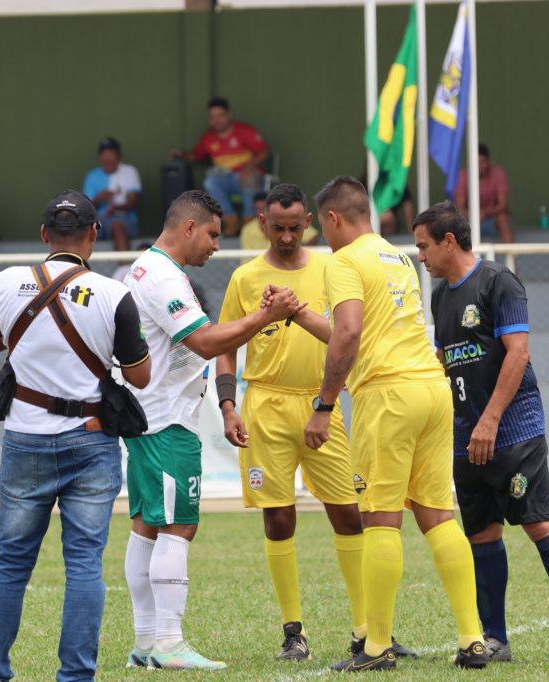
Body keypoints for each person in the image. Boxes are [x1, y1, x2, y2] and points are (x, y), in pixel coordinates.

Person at [216, 183, 414, 662]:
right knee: (279, 517)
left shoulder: (334, 267)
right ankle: (292, 632)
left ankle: (367, 631)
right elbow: (226, 347)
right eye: (277, 228)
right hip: (265, 405)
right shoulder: (245, 277)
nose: (286, 237)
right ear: (263, 223)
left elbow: (349, 332)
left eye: (294, 227)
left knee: (349, 514)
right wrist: (227, 405)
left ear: (309, 222)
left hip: (322, 405)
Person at [301, 177, 487, 672]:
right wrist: (300, 314)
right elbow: (360, 330)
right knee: (437, 516)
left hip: (387, 395)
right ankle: (472, 638)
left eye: (322, 225)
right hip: (431, 387)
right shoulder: (397, 256)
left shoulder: (343, 261)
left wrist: (323, 405)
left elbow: (349, 332)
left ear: (335, 218)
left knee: (379, 517)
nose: (323, 235)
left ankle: (377, 647)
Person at [0, 189, 152, 682]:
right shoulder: (115, 295)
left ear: (44, 236)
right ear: (94, 234)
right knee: (85, 567)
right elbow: (139, 376)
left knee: (10, 563)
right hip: (91, 440)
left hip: (25, 438)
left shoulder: (9, 281)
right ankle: (75, 676)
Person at [121, 190, 301, 671]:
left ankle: (145, 642)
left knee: (147, 526)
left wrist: (257, 316)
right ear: (188, 228)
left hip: (147, 415)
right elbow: (202, 341)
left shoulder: (145, 268)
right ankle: (167, 642)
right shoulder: (162, 277)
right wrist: (266, 316)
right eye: (213, 235)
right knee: (179, 525)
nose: (216, 246)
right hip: (165, 419)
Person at [413, 201, 549, 664]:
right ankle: (495, 638)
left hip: (512, 428)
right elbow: (444, 361)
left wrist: (491, 420)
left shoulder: (499, 282)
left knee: (538, 522)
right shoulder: (440, 295)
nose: (420, 255)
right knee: (481, 533)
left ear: (448, 241)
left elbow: (518, 355)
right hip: (465, 434)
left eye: (423, 245)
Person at [172, 97, 269, 237]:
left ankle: (249, 223)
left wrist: (247, 169)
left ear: (228, 115)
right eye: (212, 116)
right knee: (210, 182)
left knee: (250, 178)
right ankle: (231, 221)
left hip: (248, 177)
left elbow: (264, 152)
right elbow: (196, 155)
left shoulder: (244, 130)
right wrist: (181, 154)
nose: (216, 120)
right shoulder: (209, 137)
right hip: (225, 180)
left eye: (220, 115)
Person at [83, 137, 141, 252]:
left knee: (117, 224)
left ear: (119, 156)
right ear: (100, 157)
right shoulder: (92, 176)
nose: (108, 157)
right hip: (99, 219)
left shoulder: (129, 172)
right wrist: (99, 199)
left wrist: (115, 208)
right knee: (83, 229)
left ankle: (124, 267)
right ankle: (80, 268)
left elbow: (133, 202)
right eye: (104, 154)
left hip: (124, 218)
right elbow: (85, 210)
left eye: (111, 153)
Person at [454, 143, 513, 243]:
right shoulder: (462, 176)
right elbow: (459, 206)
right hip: (468, 220)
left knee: (503, 217)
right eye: (476, 163)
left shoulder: (499, 174)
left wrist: (484, 213)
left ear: (489, 162)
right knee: (452, 221)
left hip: (492, 219)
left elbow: (502, 205)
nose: (479, 166)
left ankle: (511, 257)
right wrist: (474, 215)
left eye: (482, 162)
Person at [239, 192, 319, 256]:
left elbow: (312, 235)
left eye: (263, 208)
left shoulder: (285, 220)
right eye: (257, 208)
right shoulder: (247, 230)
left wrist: (300, 255)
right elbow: (248, 260)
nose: (259, 212)